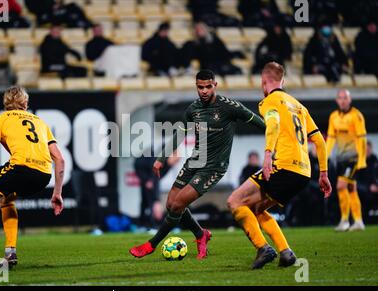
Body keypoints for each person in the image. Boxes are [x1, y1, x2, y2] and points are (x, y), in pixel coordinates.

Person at [129, 69, 266, 259]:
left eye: (208, 86)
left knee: (177, 205)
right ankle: (201, 235)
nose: (204, 91)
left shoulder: (229, 107)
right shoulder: (193, 109)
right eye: (200, 87)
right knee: (170, 204)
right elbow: (180, 133)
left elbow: (258, 121)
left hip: (214, 167)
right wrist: (161, 159)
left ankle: (151, 244)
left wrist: (277, 136)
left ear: (215, 85)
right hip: (195, 161)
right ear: (196, 86)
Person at [227, 62, 332, 269]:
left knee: (235, 201)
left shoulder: (269, 100)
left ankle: (263, 248)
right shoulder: (299, 106)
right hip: (303, 172)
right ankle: (286, 252)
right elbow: (319, 140)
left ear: (264, 82)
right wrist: (324, 173)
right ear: (282, 80)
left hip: (283, 166)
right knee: (256, 209)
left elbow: (273, 125)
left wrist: (267, 156)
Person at [0, 86, 65, 274]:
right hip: (43, 175)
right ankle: (10, 252)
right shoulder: (40, 122)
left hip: (20, 169)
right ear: (25, 103)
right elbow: (59, 158)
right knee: (6, 198)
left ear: (6, 103)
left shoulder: (0, 119)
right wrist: (57, 193)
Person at [327, 89, 367, 231]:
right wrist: (325, 154)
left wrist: (362, 159)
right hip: (341, 159)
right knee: (351, 188)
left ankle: (344, 221)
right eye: (340, 98)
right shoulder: (333, 117)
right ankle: (358, 221)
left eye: (345, 98)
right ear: (337, 100)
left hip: (353, 158)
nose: (343, 100)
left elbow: (362, 139)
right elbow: (331, 137)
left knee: (340, 186)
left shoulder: (357, 116)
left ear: (349, 100)